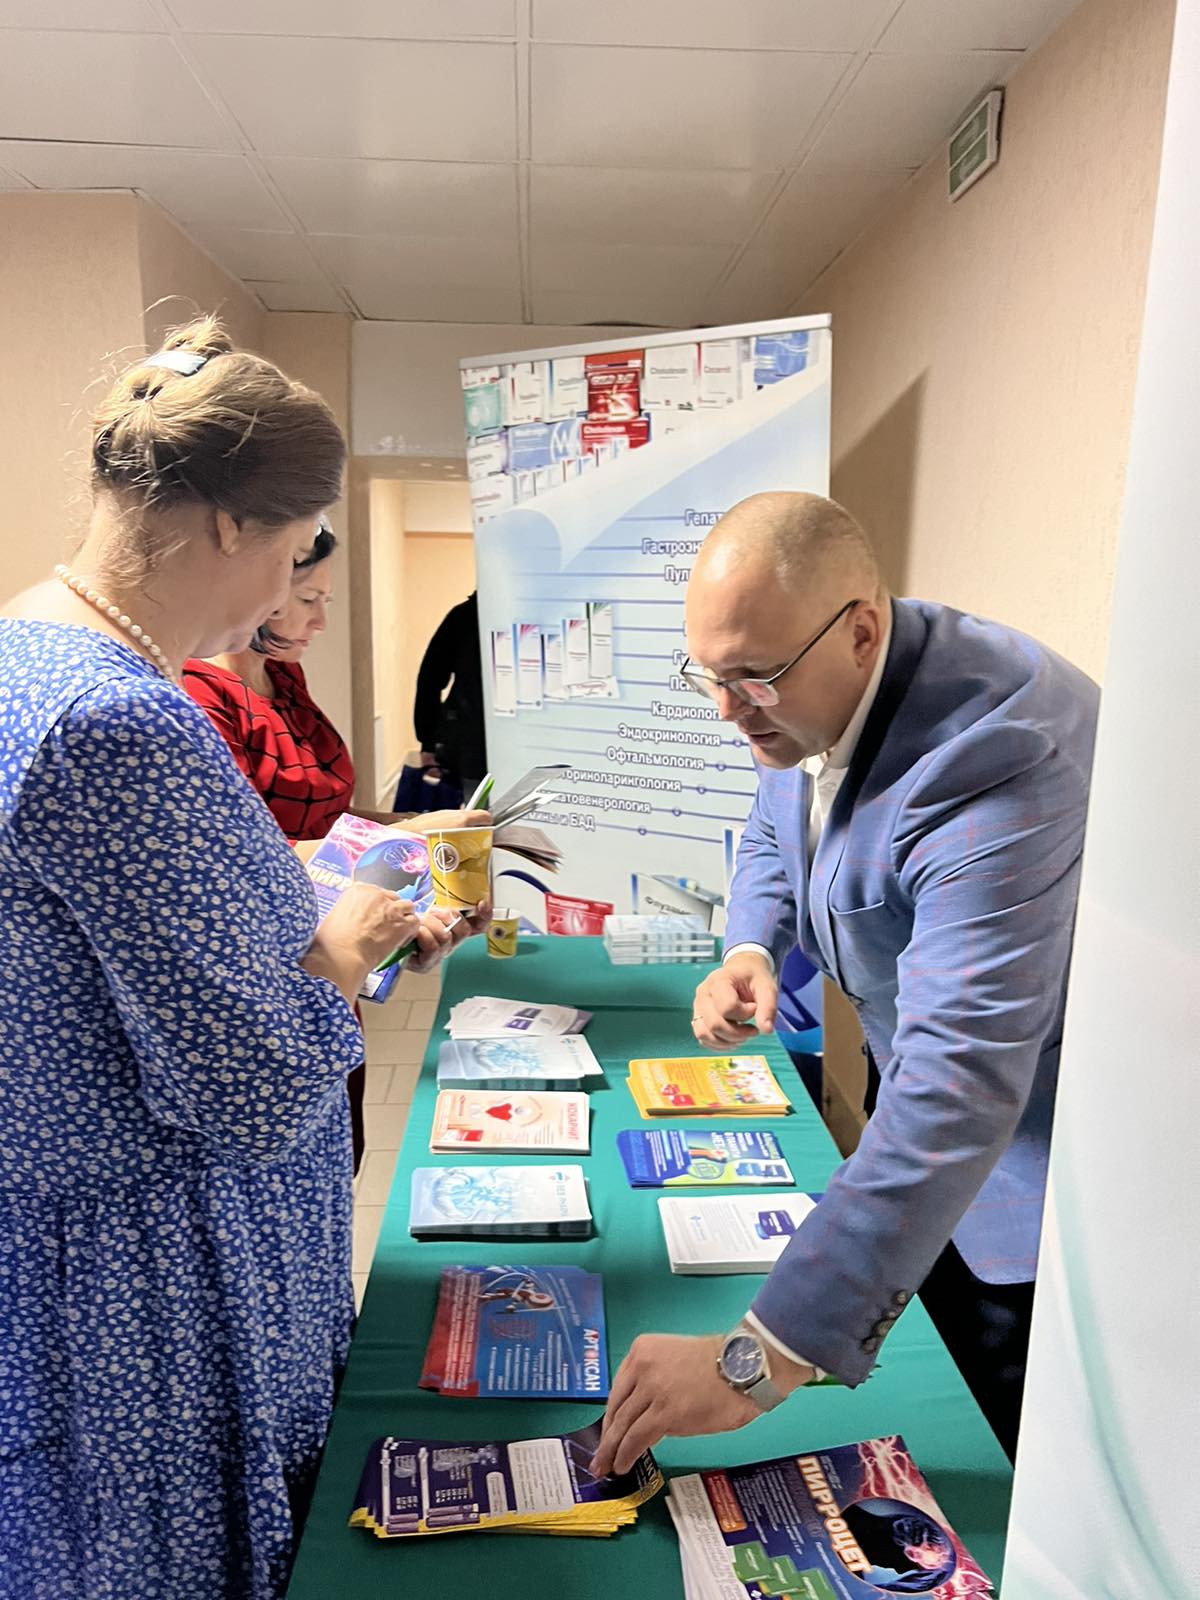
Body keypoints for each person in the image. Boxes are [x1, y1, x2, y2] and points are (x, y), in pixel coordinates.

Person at [0, 316, 471, 1599]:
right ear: (230, 525)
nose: (285, 593)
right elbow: (249, 1082)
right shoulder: (120, 722)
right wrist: (347, 941)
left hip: (71, 1235)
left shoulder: (29, 648)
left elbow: (134, 951)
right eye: (294, 548)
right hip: (159, 1283)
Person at [593, 492, 1098, 1476]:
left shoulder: (999, 755)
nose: (727, 711)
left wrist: (752, 1361)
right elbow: (779, 823)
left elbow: (955, 1090)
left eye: (751, 680)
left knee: (1000, 1441)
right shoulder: (808, 681)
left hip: (1036, 1165)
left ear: (861, 632)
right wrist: (751, 949)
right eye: (709, 677)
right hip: (922, 1094)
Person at [182, 526, 488, 1170]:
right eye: (307, 599)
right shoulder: (198, 696)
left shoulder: (282, 677)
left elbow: (329, 816)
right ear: (260, 588)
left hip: (337, 950)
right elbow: (242, 858)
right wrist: (401, 838)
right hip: (275, 967)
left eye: (326, 600)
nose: (321, 620)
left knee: (343, 1147)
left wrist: (421, 823)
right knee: (291, 1151)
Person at [413, 589, 486, 800]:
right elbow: (430, 681)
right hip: (472, 746)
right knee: (478, 809)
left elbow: (429, 680)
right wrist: (428, 742)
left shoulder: (464, 615)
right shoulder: (465, 616)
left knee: (479, 811)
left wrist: (428, 743)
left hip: (472, 746)